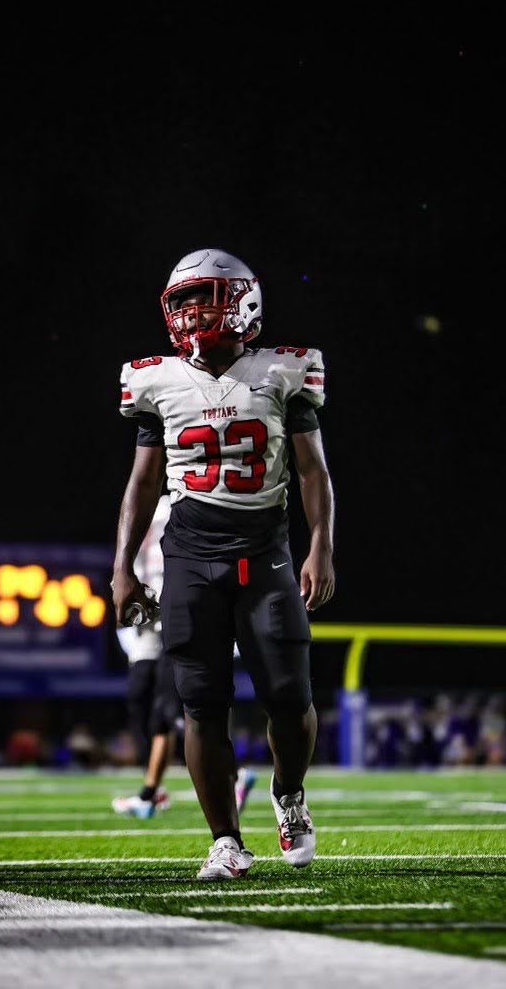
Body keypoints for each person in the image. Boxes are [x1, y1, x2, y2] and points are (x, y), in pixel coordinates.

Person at [112, 248, 335, 880]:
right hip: (189, 553)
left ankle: (288, 793)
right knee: (200, 703)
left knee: (290, 697)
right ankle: (225, 841)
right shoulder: (154, 379)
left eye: (206, 296)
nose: (192, 311)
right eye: (183, 300)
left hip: (265, 551)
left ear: (244, 302)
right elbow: (141, 484)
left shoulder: (284, 372)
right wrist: (123, 565)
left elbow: (314, 471)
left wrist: (320, 543)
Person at [112, 494, 258, 818]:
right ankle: (169, 784)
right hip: (148, 611)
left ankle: (152, 792)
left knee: (174, 708)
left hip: (179, 608)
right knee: (140, 696)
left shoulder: (192, 500)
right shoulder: (145, 505)